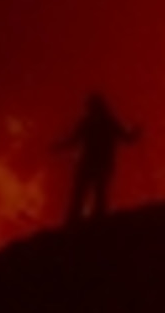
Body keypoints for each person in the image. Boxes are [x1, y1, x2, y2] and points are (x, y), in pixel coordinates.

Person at [54, 92, 140, 224]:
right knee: (90, 193)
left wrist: (59, 146)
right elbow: (127, 138)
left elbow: (73, 140)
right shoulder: (105, 121)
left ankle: (82, 222)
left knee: (91, 193)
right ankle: (88, 221)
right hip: (98, 164)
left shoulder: (92, 122)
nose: (90, 109)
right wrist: (135, 134)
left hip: (92, 164)